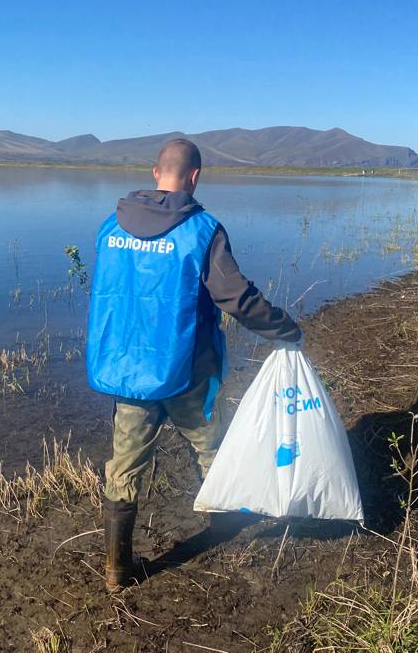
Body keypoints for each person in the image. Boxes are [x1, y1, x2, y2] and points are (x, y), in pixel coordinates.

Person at [85, 138, 302, 591]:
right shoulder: (203, 230)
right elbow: (236, 298)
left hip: (130, 375)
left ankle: (116, 570)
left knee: (124, 469)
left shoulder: (111, 227)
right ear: (195, 176)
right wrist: (284, 328)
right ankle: (223, 529)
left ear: (154, 173)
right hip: (188, 372)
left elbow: (113, 297)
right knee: (211, 447)